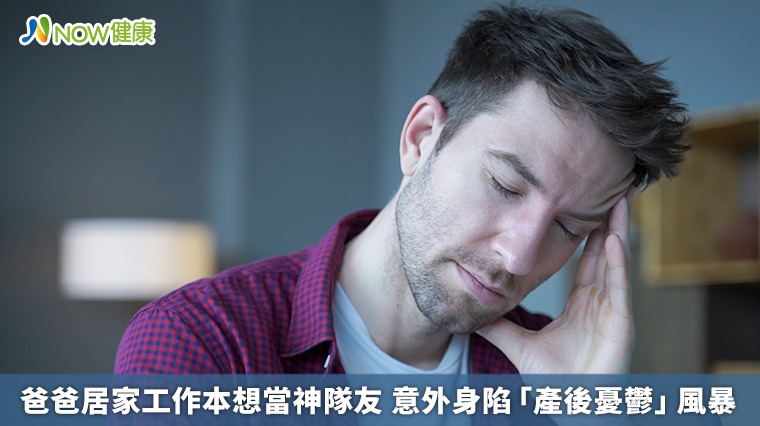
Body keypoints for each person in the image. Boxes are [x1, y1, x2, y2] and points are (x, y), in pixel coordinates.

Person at [114, 4, 689, 376]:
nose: (518, 257)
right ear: (420, 138)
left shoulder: (555, 373)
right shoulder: (206, 343)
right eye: (506, 185)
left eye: (568, 228)